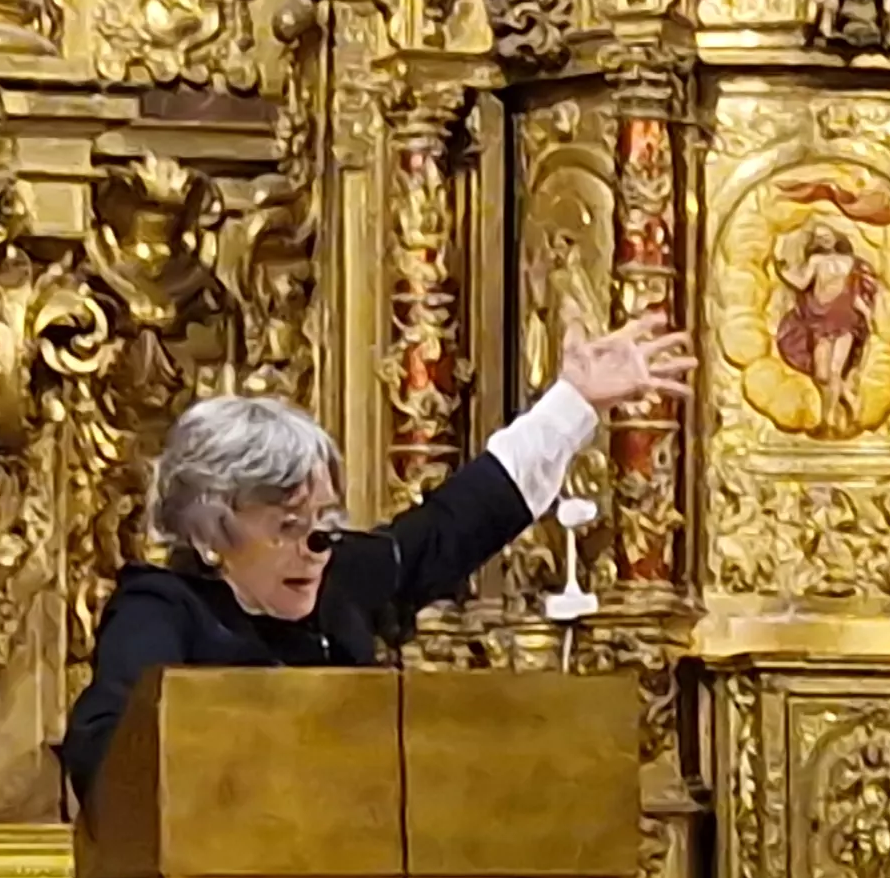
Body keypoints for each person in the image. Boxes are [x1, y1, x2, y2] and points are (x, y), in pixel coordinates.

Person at [57, 313, 695, 797]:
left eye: (325, 522)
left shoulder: (341, 576)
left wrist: (574, 400)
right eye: (287, 526)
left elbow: (456, 521)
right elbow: (104, 750)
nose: (315, 548)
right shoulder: (160, 610)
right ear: (207, 533)